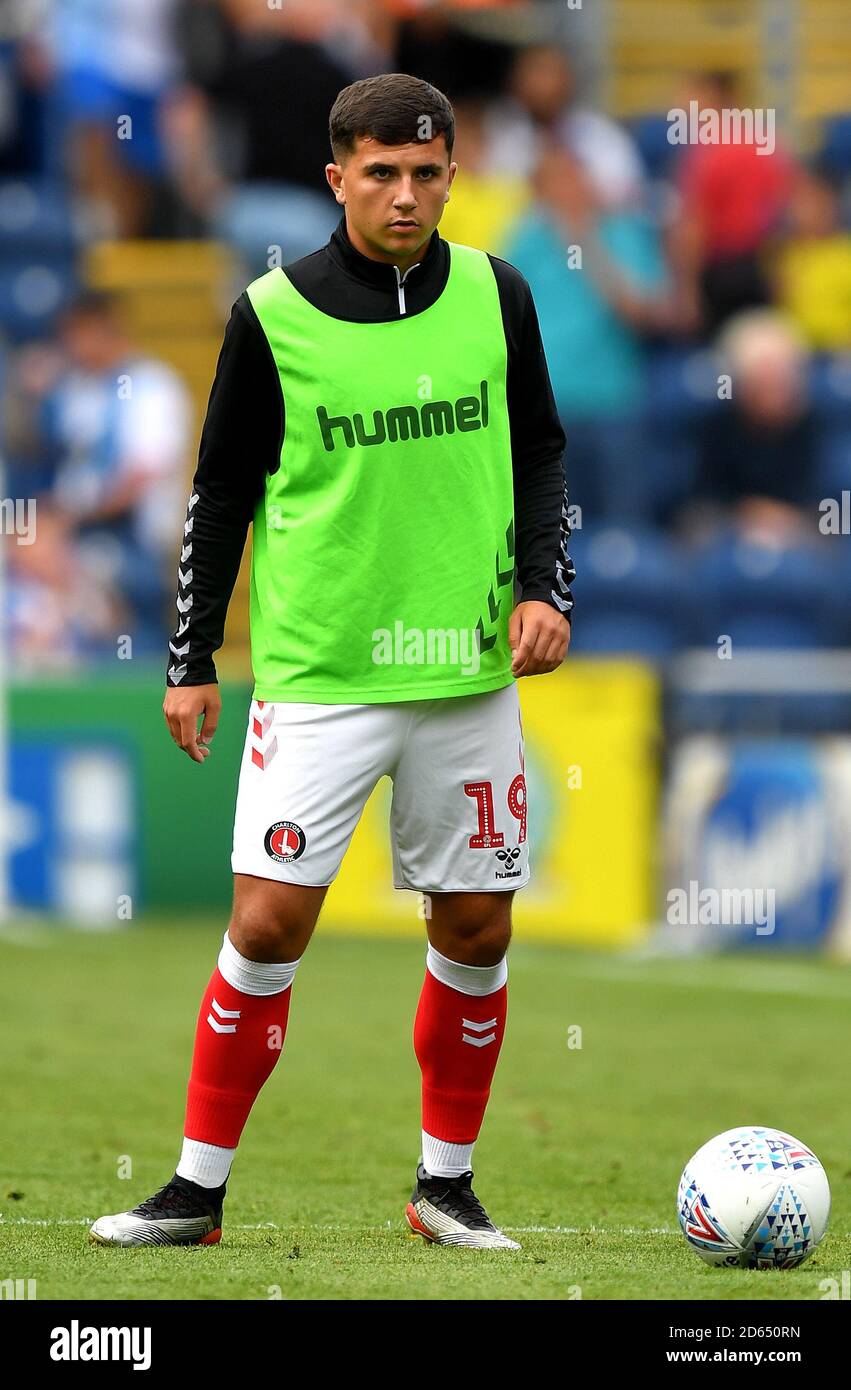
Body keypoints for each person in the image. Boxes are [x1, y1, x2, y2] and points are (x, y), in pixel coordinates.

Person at [89, 73, 574, 1252]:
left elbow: (542, 453)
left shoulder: (498, 294)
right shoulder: (272, 313)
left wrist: (544, 589)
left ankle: (443, 1186)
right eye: (380, 174)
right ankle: (196, 1192)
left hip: (464, 676)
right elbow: (217, 493)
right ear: (337, 178)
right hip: (319, 676)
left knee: (475, 932)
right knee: (264, 927)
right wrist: (190, 657)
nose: (404, 196)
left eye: (425, 173)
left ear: (451, 175)